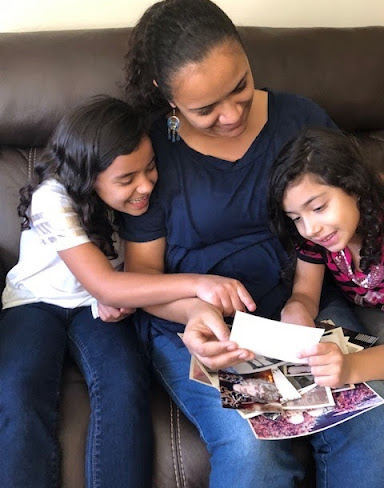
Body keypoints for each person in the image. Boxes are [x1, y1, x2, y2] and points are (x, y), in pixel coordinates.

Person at [121, 0, 384, 487]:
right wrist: (195, 312)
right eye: (204, 108)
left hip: (307, 310)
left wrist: (302, 303)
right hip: (206, 329)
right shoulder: (152, 151)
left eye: (240, 86)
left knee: (372, 429)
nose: (231, 115)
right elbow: (141, 277)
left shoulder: (298, 118)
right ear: (168, 97)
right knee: (254, 449)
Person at [0, 95, 257, 488]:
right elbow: (103, 281)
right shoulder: (51, 198)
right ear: (88, 178)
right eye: (126, 179)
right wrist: (198, 283)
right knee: (20, 390)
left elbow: (115, 285)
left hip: (101, 306)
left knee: (124, 385)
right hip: (36, 301)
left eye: (150, 167)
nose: (145, 185)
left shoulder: (143, 191)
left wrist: (120, 295)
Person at [268, 126, 384, 388]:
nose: (310, 229)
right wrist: (296, 308)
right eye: (296, 218)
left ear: (354, 187)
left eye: (319, 208)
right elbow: (306, 293)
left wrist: (351, 368)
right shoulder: (317, 238)